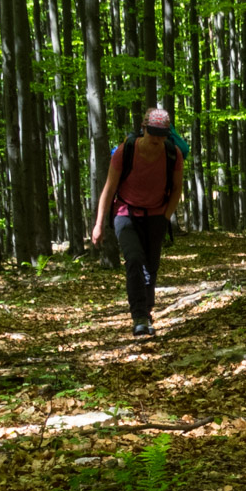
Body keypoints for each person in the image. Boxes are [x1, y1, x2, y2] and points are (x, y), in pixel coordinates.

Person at [91, 107, 185, 337]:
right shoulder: (125, 151)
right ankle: (139, 316)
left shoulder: (173, 154)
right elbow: (109, 188)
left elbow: (176, 189)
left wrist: (165, 218)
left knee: (150, 267)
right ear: (143, 129)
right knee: (134, 259)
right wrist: (99, 224)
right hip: (126, 213)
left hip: (156, 215)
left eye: (162, 134)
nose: (157, 139)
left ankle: (146, 309)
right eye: (152, 132)